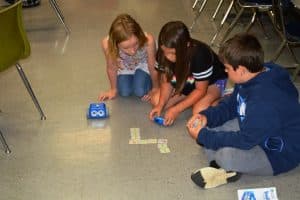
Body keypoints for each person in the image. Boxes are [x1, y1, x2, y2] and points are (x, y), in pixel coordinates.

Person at [186, 33, 300, 189]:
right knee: (210, 128)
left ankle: (224, 166)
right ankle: (221, 162)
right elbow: (231, 106)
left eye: (227, 68)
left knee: (225, 156)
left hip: (276, 154)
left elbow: (245, 140)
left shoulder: (264, 102)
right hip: (257, 129)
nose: (225, 72)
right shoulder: (251, 76)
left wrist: (204, 136)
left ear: (240, 69)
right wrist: (206, 116)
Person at [149, 21, 227, 126]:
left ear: (187, 45)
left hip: (211, 83)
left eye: (173, 53)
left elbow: (201, 90)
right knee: (156, 101)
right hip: (187, 82)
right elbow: (166, 82)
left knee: (199, 110)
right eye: (165, 51)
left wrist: (177, 109)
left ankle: (222, 100)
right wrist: (160, 105)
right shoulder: (163, 54)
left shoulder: (200, 54)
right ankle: (190, 98)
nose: (168, 57)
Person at [98, 14, 159, 101]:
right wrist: (113, 89)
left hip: (144, 64)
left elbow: (152, 67)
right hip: (125, 66)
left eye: (136, 44)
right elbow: (112, 68)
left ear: (139, 35)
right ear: (116, 44)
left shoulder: (148, 41)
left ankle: (146, 79)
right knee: (124, 92)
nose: (133, 51)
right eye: (126, 48)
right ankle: (136, 78)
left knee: (140, 91)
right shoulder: (107, 44)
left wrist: (156, 88)